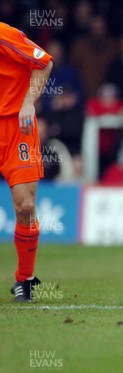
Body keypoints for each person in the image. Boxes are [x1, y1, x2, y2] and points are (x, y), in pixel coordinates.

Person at [0, 23, 53, 302]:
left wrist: (28, 102)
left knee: (25, 206)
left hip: (15, 128)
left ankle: (25, 279)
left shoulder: (3, 35)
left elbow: (44, 62)